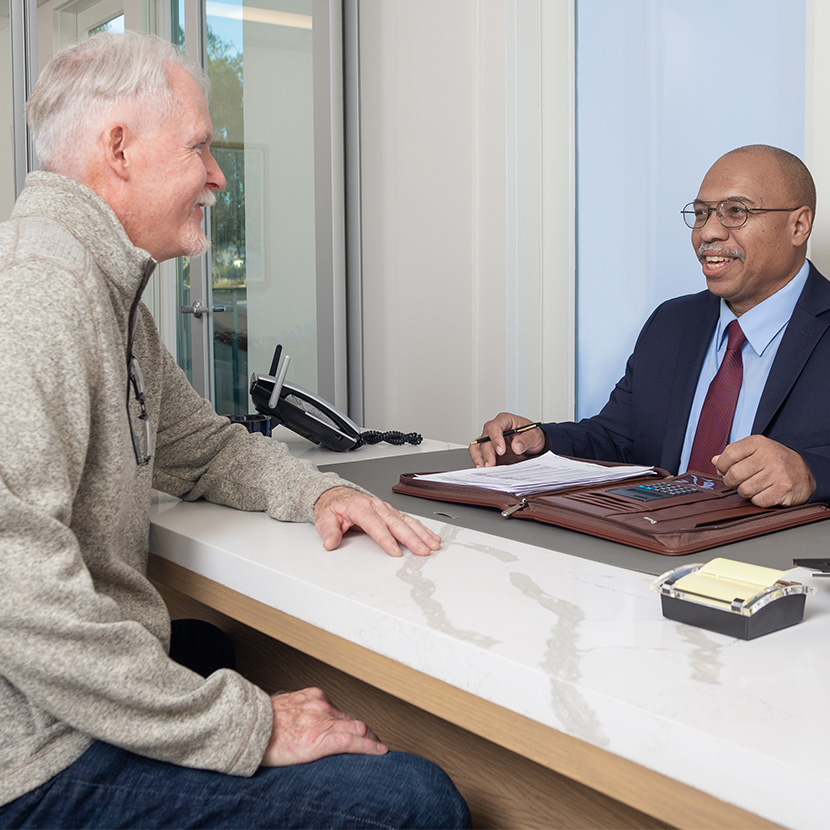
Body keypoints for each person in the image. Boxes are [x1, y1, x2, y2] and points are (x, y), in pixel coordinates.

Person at [0, 32, 469, 829]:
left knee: (209, 648)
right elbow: (14, 587)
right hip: (33, 757)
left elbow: (204, 447)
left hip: (53, 709)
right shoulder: (44, 292)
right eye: (201, 147)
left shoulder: (104, 290)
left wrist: (318, 488)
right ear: (120, 147)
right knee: (411, 804)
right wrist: (244, 726)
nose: (219, 176)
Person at [471, 144, 830, 509]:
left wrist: (809, 473)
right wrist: (539, 441)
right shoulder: (671, 323)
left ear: (798, 225)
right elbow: (617, 439)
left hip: (769, 559)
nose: (708, 233)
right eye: (702, 213)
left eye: (735, 212)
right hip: (656, 546)